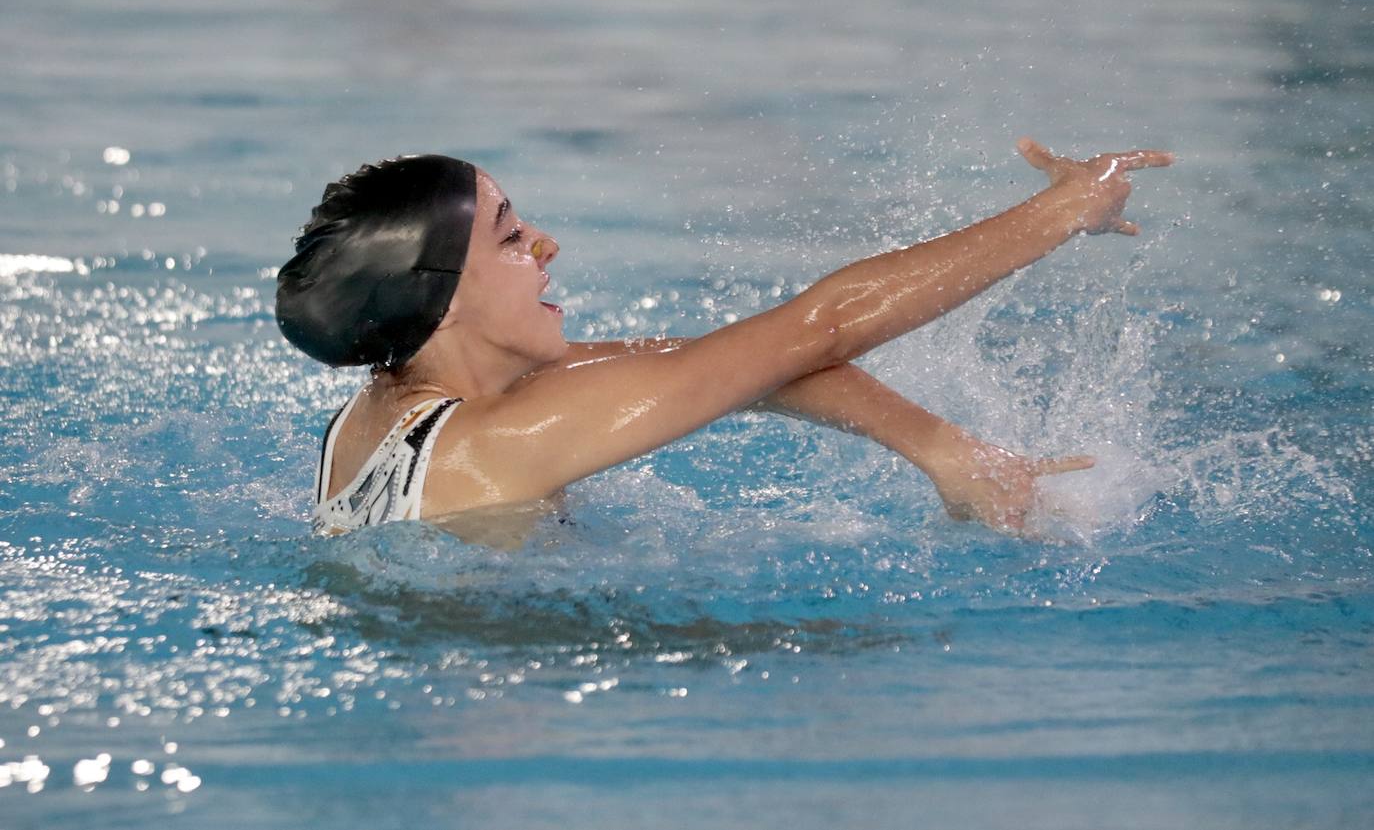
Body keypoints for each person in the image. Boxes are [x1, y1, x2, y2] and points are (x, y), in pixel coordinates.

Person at [276, 138, 1173, 548]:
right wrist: (1064, 208)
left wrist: (939, 446)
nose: (545, 246)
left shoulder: (373, 417)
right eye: (510, 238)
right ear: (444, 299)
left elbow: (729, 360)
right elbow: (817, 325)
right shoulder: (505, 440)